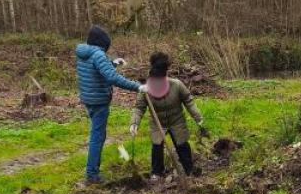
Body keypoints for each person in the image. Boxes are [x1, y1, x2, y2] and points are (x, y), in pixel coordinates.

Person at [75, 25, 147, 185]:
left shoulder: (84, 52)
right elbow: (112, 78)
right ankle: (92, 174)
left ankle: (92, 170)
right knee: (97, 136)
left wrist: (113, 63)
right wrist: (138, 86)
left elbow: (97, 70)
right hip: (99, 100)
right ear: (102, 43)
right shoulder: (98, 54)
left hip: (89, 99)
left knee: (97, 134)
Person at [130, 52, 206, 180]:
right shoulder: (146, 90)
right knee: (157, 146)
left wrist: (198, 118)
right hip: (157, 121)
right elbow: (139, 107)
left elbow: (188, 101)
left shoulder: (176, 85)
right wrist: (134, 123)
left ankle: (189, 170)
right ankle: (157, 173)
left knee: (182, 145)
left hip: (177, 120)